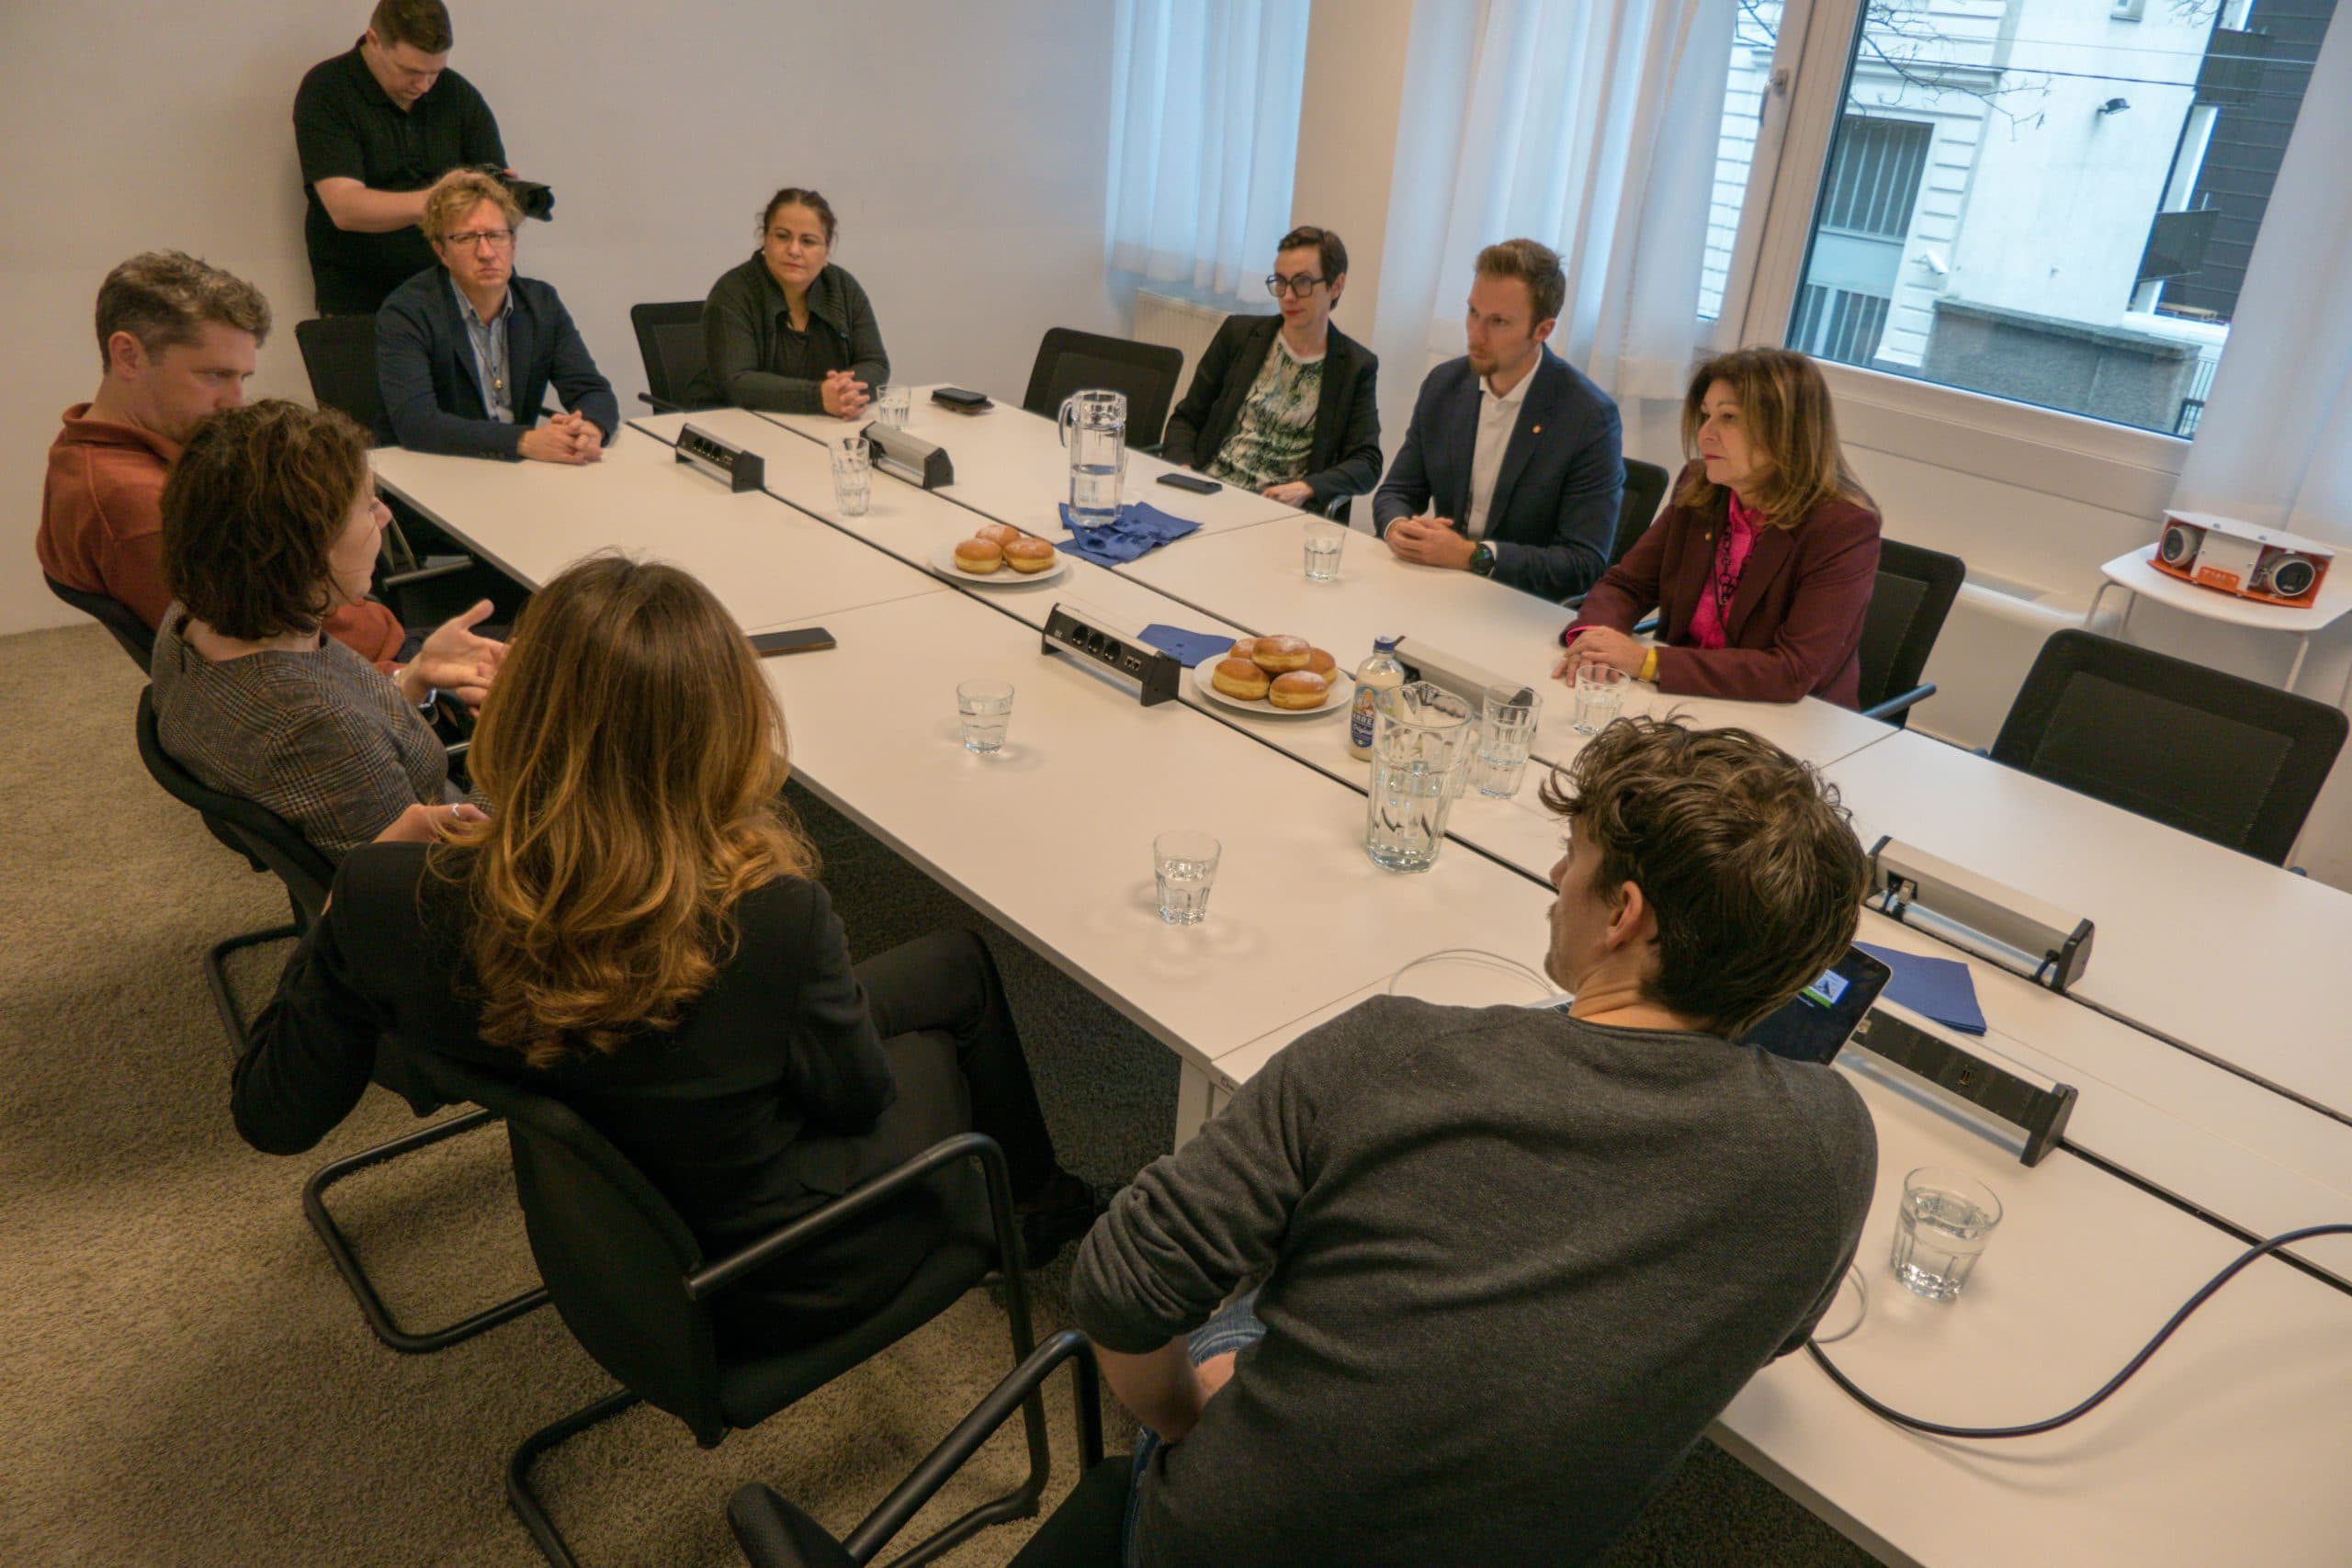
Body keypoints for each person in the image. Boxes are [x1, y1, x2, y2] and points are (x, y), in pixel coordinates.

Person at [231, 555, 1097, 1351]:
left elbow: (272, 1115)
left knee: (953, 966)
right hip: (771, 1272)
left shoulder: (394, 899)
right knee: (933, 1059)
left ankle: (1043, 1198)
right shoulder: (767, 917)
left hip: (610, 1250)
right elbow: (857, 1098)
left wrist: (351, 888)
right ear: (721, 733)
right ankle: (1036, 1208)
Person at [1071, 716, 1878, 1568]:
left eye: (1577, 855)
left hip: (1227, 1545)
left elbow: (1122, 1285)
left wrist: (1187, 1422)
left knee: (1247, 1310)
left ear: (1625, 916)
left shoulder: (1392, 1052)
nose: (1559, 875)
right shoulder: (1832, 1142)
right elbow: (1773, 1334)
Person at [151, 400, 503, 862]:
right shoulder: (314, 729)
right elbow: (444, 884)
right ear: (307, 549)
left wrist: (412, 679)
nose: (385, 517)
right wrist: (515, 742)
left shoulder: (192, 618)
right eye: (368, 506)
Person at [39, 251, 407, 668]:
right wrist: (412, 680)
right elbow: (268, 666)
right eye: (214, 375)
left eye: (242, 378)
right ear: (128, 355)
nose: (235, 403)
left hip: (357, 637)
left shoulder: (90, 444)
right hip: (367, 667)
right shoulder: (136, 506)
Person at [1558, 348, 1882, 706]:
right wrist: (1593, 640)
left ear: (1787, 431)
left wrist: (1646, 662)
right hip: (1676, 700)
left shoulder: (1843, 528)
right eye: (1706, 415)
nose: (1705, 434)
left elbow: (1790, 671)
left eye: (1728, 418)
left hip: (1784, 724)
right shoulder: (1700, 486)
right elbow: (1628, 585)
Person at [1371, 238, 1624, 600]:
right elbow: (1398, 491)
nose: (1476, 334)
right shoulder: (1445, 385)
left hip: (1517, 606)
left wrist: (1474, 556)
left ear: (1542, 330)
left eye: (1498, 322)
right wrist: (1398, 528)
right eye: (1473, 312)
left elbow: (1583, 562)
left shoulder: (1588, 418)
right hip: (1437, 589)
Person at [375, 169, 618, 461]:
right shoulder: (407, 312)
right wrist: (524, 441)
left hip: (514, 473)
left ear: (513, 244)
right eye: (466, 238)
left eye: (495, 236)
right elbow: (417, 424)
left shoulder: (541, 304)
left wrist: (588, 429)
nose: (486, 252)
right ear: (441, 251)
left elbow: (592, 390)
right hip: (437, 469)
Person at [294, 0, 508, 315]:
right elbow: (344, 207)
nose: (423, 86)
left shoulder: (456, 93)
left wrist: (505, 196)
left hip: (457, 296)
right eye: (410, 71)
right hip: (363, 299)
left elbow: (492, 193)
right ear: (374, 40)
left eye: (434, 72)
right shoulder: (328, 88)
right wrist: (441, 198)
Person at [1159, 226, 1381, 513]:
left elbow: (1367, 462)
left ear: (1336, 286)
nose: (1287, 296)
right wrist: (1184, 469)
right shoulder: (1239, 335)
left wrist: (1308, 488)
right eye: (1280, 282)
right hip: (1209, 492)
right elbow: (1186, 418)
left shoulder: (1355, 366)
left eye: (1302, 283)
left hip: (1279, 512)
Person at [688, 187, 888, 418]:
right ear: (764, 239)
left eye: (808, 241)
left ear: (827, 249)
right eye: (782, 236)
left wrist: (844, 393)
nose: (794, 250)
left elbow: (875, 362)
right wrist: (819, 397)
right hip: (733, 427)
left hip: (817, 427)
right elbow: (737, 382)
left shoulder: (842, 287)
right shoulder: (732, 292)